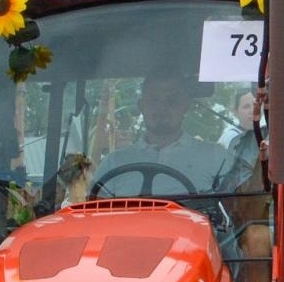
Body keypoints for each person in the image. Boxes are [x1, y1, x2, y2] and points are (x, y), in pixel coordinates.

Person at [94, 74, 229, 198]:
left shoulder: (216, 157)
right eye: (154, 100)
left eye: (171, 101)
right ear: (142, 105)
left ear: (185, 106)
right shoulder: (114, 162)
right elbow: (94, 214)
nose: (162, 107)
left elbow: (235, 211)